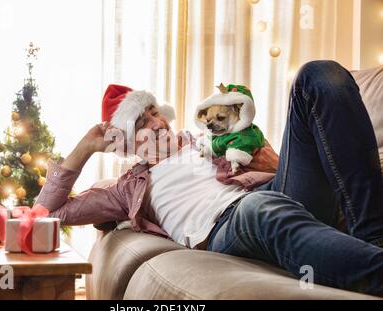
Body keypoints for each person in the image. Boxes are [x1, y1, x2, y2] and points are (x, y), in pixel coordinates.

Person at [35, 60, 383, 296]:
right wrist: (85, 148)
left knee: (316, 75)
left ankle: (374, 234)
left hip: (276, 196)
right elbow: (49, 215)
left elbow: (284, 171)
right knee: (258, 207)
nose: (157, 123)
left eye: (154, 112)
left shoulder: (210, 138)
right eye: (141, 122)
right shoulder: (128, 188)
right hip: (230, 226)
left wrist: (275, 161)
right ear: (125, 141)